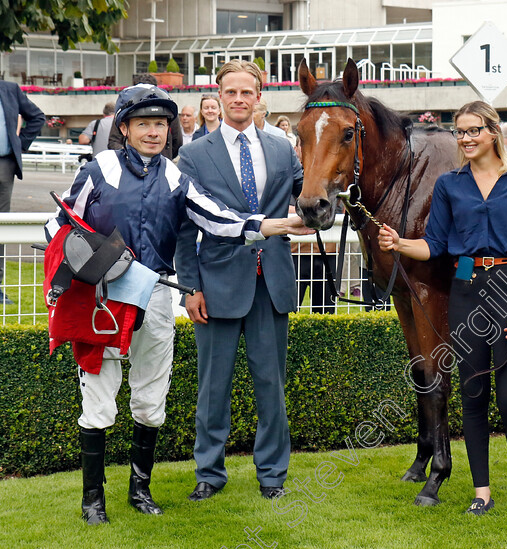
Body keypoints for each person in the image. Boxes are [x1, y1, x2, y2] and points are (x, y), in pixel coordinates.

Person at [44, 83, 307, 526]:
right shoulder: (99, 169)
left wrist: (275, 224)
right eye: (144, 123)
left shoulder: (175, 176)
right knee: (101, 396)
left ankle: (139, 489)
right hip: (102, 297)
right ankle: (93, 499)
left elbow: (218, 219)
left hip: (156, 295)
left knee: (150, 395)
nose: (153, 132)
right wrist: (72, 267)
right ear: (124, 128)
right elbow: (60, 221)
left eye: (161, 124)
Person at [378, 100, 507, 521]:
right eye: (460, 131)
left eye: (474, 130)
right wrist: (397, 242)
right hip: (467, 292)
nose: (466, 138)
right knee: (473, 398)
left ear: (493, 132)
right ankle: (482, 492)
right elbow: (434, 244)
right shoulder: (451, 185)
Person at [174, 60, 308, 502]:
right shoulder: (194, 154)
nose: (237, 100)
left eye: (246, 92)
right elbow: (184, 229)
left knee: (271, 384)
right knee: (214, 386)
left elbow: (312, 198)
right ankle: (209, 473)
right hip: (215, 286)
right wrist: (190, 287)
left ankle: (272, 474)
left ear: (258, 96)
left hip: (272, 283)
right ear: (219, 94)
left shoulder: (282, 149)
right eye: (230, 92)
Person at [0, 80, 45, 304]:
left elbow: (38, 118)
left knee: (0, 227)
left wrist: (19, 143)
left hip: (4, 166)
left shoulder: (9, 89)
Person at [107, 74, 183, 159]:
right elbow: (114, 142)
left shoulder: (167, 111)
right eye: (142, 124)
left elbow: (177, 142)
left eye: (159, 124)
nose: (153, 133)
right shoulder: (126, 111)